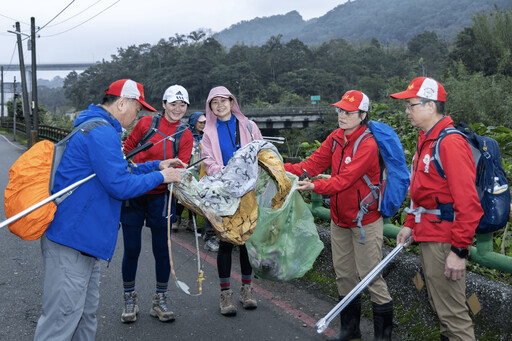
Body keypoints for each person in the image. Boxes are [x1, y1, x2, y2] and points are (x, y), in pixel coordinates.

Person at [34, 79, 183, 341]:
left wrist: (157, 166)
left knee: (84, 314)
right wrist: (164, 177)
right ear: (122, 102)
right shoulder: (102, 133)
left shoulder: (101, 129)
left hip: (83, 240)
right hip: (73, 239)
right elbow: (120, 185)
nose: (138, 116)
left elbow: (119, 170)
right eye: (138, 109)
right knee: (62, 319)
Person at [284, 90, 394, 341]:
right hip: (339, 219)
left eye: (349, 112)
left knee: (371, 278)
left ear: (363, 115)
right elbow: (310, 166)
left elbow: (344, 181)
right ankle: (350, 331)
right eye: (341, 110)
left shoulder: (368, 144)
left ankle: (383, 337)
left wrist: (314, 186)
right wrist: (277, 165)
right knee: (344, 276)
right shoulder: (336, 137)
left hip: (365, 221)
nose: (342, 116)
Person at [392, 77, 483, 341]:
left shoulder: (449, 142)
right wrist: (410, 223)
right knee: (442, 311)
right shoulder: (427, 139)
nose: (407, 111)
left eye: (410, 105)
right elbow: (422, 192)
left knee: (454, 316)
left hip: (445, 240)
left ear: (430, 106)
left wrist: (459, 250)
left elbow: (468, 203)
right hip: (428, 234)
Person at [119, 84, 193, 323]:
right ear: (163, 104)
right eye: (173, 103)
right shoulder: (145, 124)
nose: (178, 109)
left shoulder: (186, 134)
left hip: (162, 195)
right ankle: (129, 298)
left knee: (162, 250)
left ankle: (160, 300)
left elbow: (181, 166)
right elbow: (127, 152)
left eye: (182, 105)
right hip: (134, 191)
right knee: (132, 248)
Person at [201, 86, 263, 315]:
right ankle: (225, 295)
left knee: (247, 241)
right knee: (226, 242)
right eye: (214, 102)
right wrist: (230, 172)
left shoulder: (249, 126)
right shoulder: (208, 133)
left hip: (248, 193)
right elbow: (209, 163)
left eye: (223, 100)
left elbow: (262, 152)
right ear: (210, 107)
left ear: (231, 101)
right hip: (225, 193)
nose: (219, 105)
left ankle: (247, 290)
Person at [186, 111, 220, 252]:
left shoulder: (211, 133)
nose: (203, 125)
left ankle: (211, 232)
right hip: (198, 171)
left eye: (205, 122)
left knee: (212, 202)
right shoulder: (189, 135)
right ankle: (208, 232)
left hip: (213, 173)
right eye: (200, 122)